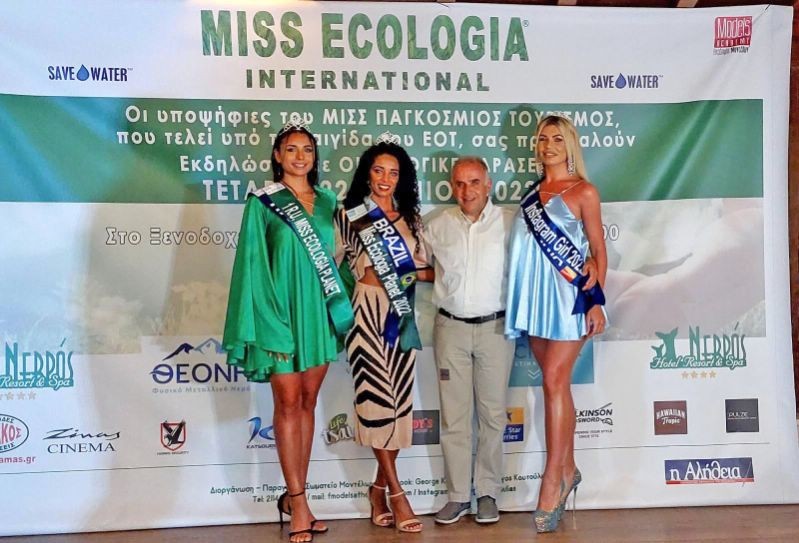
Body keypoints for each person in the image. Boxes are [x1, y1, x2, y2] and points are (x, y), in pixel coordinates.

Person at [222, 115, 354, 543]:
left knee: (308, 403)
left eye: (307, 150)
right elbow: (253, 268)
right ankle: (296, 501)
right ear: (278, 156)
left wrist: (343, 305)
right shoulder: (263, 203)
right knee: (287, 402)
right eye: (292, 149)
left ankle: (300, 497)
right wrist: (269, 323)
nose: (300, 157)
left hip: (317, 316)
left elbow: (342, 260)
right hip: (278, 316)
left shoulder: (330, 202)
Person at [505, 114, 608, 533]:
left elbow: (598, 251)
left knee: (552, 381)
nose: (548, 146)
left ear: (570, 146)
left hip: (570, 302)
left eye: (557, 139)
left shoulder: (584, 191)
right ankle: (569, 468)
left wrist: (596, 302)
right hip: (535, 304)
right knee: (558, 386)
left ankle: (553, 479)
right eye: (543, 139)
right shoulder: (532, 194)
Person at [335, 133, 433, 534]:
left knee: (397, 405)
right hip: (365, 311)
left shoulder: (412, 220)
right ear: (367, 174)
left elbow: (428, 270)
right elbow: (329, 266)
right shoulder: (350, 214)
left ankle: (377, 489)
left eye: (393, 173)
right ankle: (397, 493)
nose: (385, 179)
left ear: (401, 178)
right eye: (379, 170)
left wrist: (404, 274)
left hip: (401, 314)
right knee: (375, 400)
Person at [422, 156, 516, 525]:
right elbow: (419, 266)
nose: (467, 190)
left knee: (493, 415)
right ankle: (458, 496)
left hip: (496, 329)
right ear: (452, 186)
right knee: (454, 417)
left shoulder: (510, 223)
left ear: (488, 185)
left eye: (474, 182)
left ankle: (488, 493)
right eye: (460, 183)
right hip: (451, 329)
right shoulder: (437, 225)